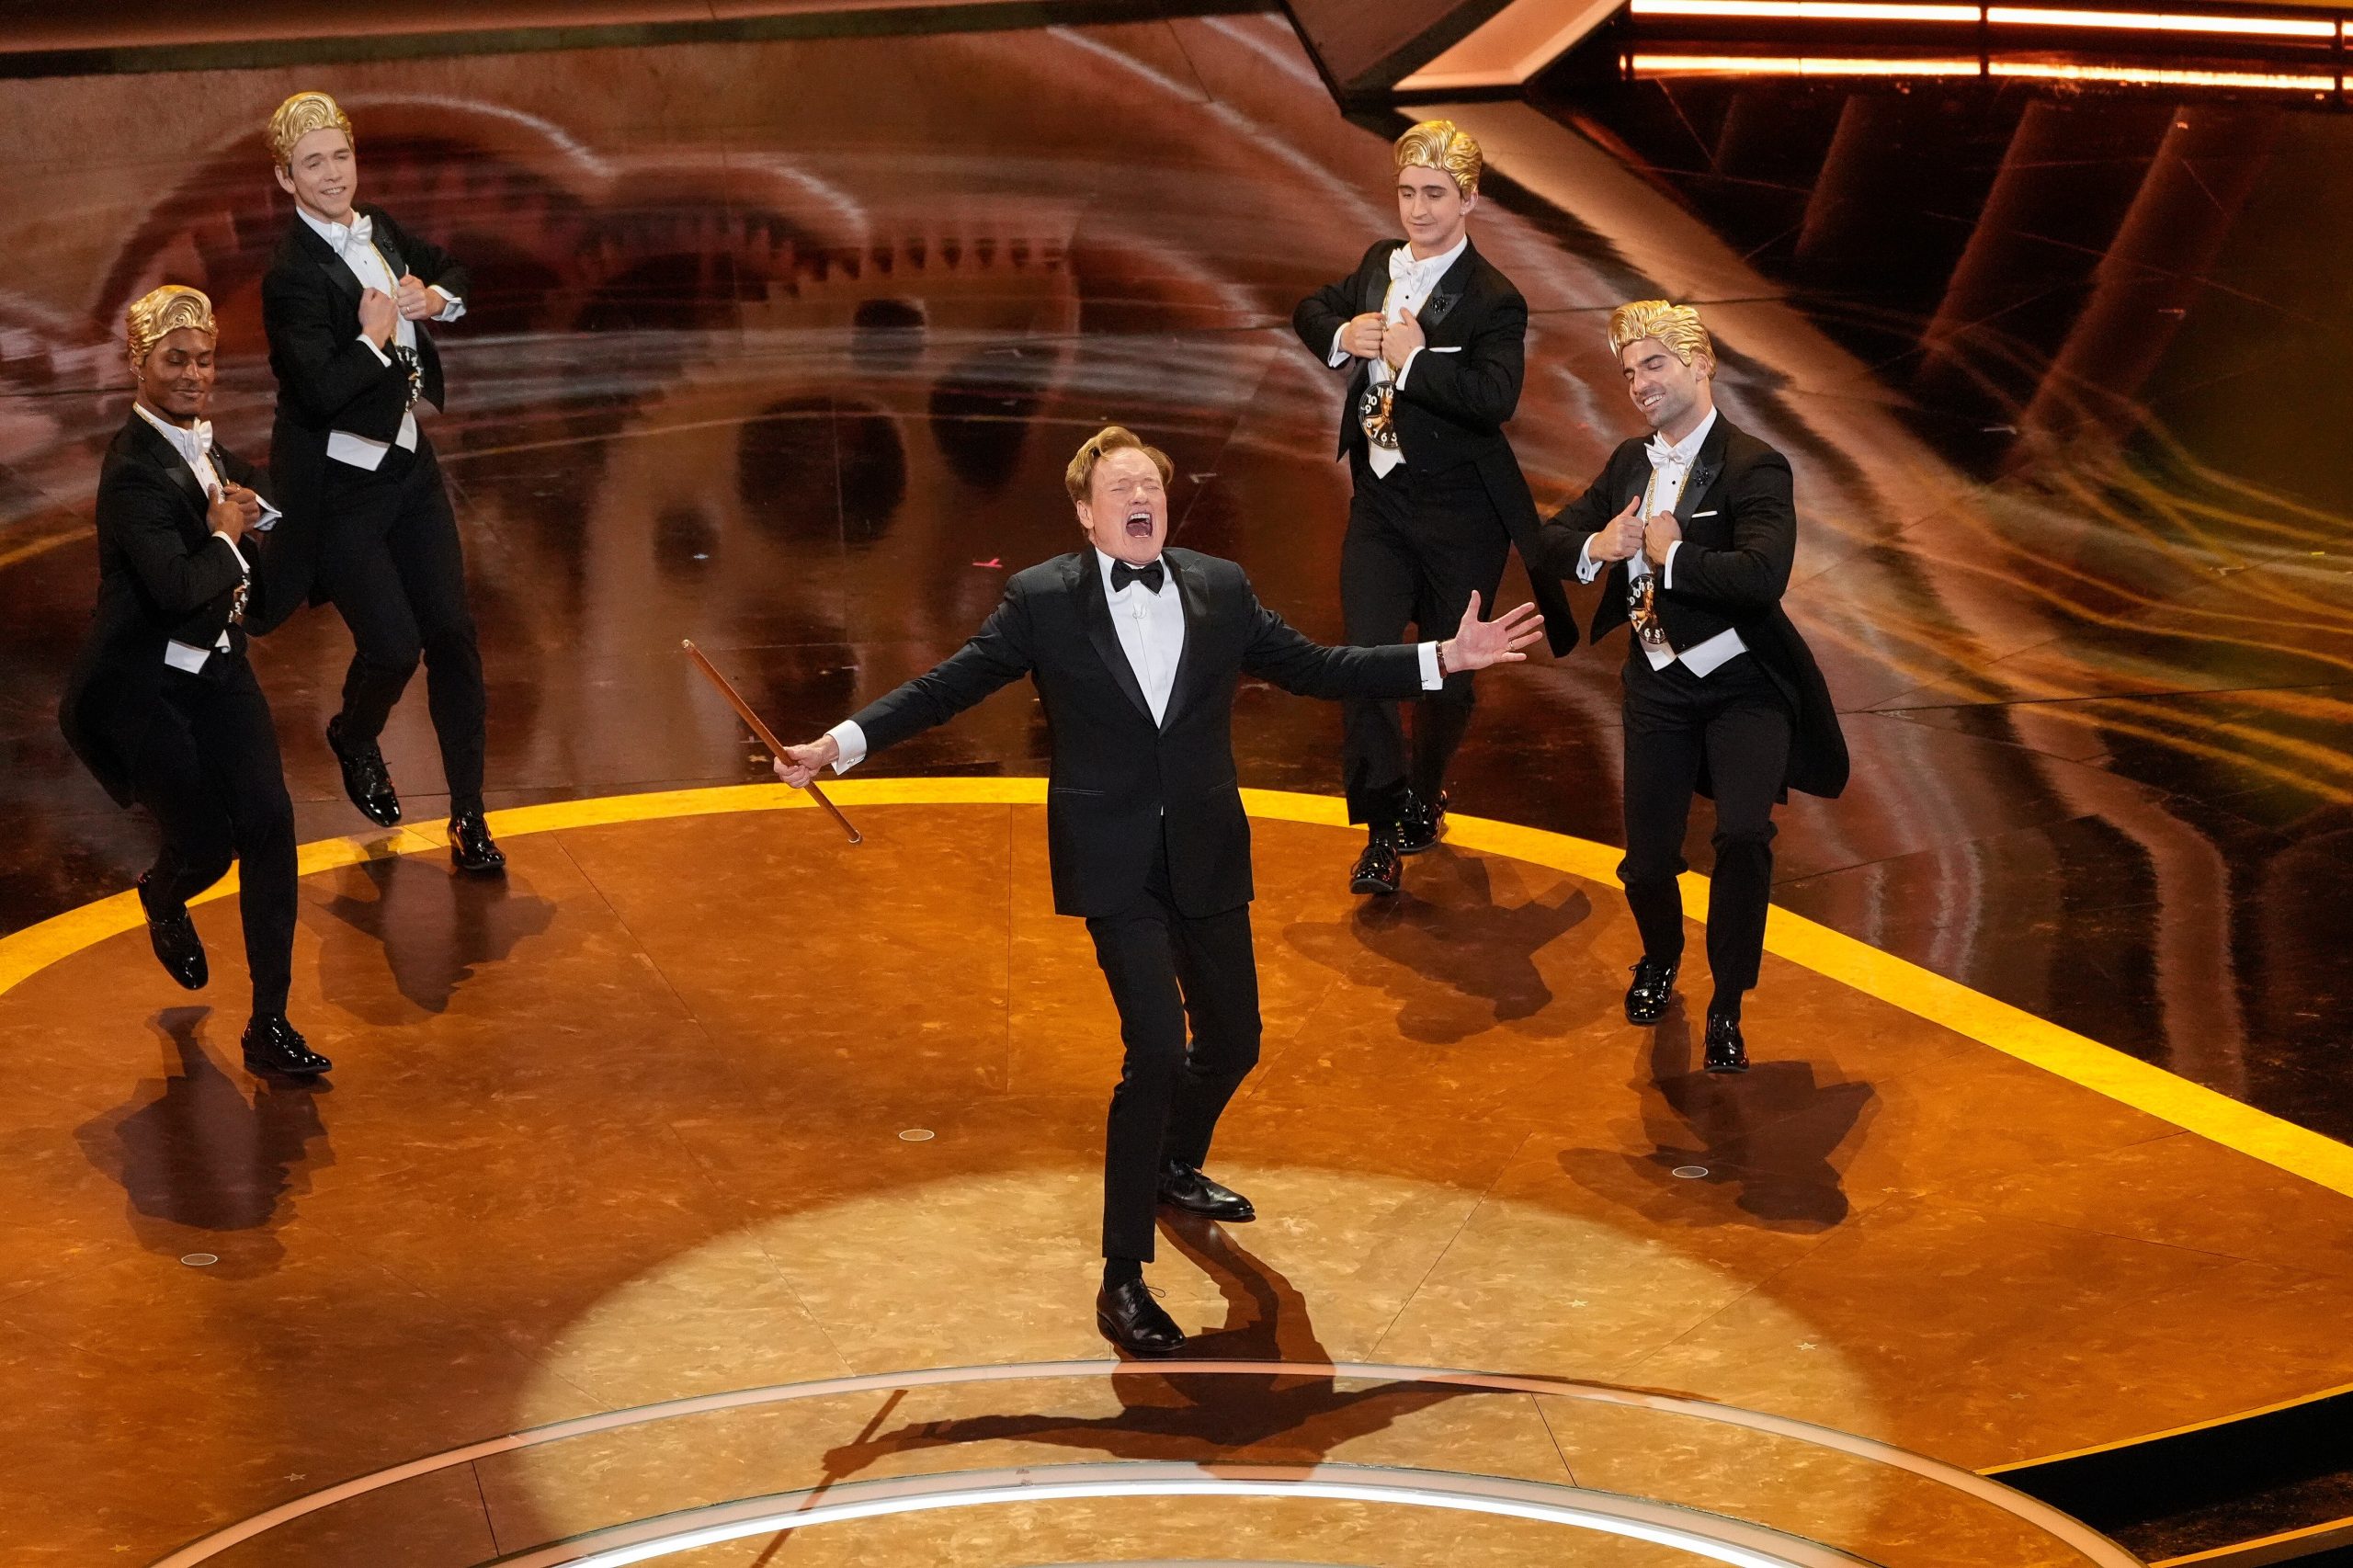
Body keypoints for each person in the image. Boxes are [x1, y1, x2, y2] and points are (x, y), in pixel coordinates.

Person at [774, 426, 1543, 1355]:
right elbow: (947, 687)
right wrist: (837, 746)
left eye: (1153, 486)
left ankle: (1175, 1159)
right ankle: (1122, 1275)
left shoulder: (1218, 587)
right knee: (1153, 1047)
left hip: (1206, 851)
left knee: (1234, 1040)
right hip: (1112, 860)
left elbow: (1315, 668)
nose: (1142, 497)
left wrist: (1441, 660)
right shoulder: (1041, 598)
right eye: (1121, 487)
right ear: (1086, 514)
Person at [1537, 301, 1847, 1074]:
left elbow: (1761, 575)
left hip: (1745, 686)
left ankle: (1729, 1004)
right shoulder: (1626, 465)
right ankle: (1660, 957)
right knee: (1646, 860)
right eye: (1630, 371)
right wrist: (1596, 544)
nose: (1640, 383)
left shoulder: (1753, 465)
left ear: (1700, 363)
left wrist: (1671, 557)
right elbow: (1546, 537)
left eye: (1655, 365)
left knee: (1743, 835)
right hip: (1658, 687)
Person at [1292, 119, 1575, 898]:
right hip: (1380, 503)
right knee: (1371, 661)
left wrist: (1411, 361)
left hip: (1462, 516)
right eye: (1407, 193)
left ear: (1469, 199)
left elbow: (1496, 397)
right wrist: (1343, 334)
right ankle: (1382, 830)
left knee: (1450, 674)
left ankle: (1426, 789)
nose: (1417, 210)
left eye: (1434, 195)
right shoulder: (1376, 265)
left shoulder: (1494, 299)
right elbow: (1312, 310)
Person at [59, 286, 330, 1078]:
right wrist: (227, 534)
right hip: (142, 691)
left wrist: (264, 516)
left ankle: (269, 1024)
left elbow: (257, 517)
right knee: (206, 844)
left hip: (215, 669)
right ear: (138, 363)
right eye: (174, 359)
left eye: (204, 360)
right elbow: (179, 586)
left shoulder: (203, 449)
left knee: (270, 825)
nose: (192, 375)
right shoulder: (131, 474)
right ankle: (164, 891)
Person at [259, 89, 504, 873]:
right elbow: (320, 390)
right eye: (312, 164)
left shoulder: (383, 229)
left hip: (408, 467)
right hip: (341, 491)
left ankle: (469, 818)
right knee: (393, 647)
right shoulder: (289, 278)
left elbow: (456, 267)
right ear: (284, 178)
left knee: (454, 637)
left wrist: (436, 298)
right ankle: (354, 734)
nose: (332, 175)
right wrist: (373, 339)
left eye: (340, 156)